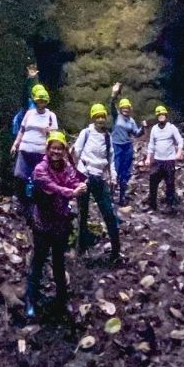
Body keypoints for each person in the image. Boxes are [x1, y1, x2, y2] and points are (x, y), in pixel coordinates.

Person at [26, 131, 86, 321]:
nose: (56, 152)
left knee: (59, 262)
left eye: (60, 148)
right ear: (48, 149)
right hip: (42, 223)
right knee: (39, 260)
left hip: (60, 221)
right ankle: (31, 300)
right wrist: (72, 192)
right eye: (53, 148)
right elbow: (51, 186)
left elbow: (74, 180)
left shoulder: (67, 167)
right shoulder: (40, 169)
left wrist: (81, 185)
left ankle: (61, 299)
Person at [72, 104, 121, 263]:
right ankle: (81, 247)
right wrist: (80, 172)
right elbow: (76, 153)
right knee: (82, 213)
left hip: (99, 177)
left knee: (108, 213)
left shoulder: (107, 137)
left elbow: (111, 158)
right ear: (93, 118)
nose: (100, 119)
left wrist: (113, 176)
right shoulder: (86, 133)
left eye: (102, 116)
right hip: (84, 176)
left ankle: (115, 251)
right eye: (97, 116)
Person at [10, 83, 58, 212]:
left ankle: (38, 206)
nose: (40, 103)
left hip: (41, 152)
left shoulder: (51, 116)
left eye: (43, 100)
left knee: (39, 178)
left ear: (46, 101)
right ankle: (21, 203)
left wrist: (50, 133)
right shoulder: (29, 114)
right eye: (38, 100)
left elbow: (55, 136)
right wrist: (16, 144)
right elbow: (22, 129)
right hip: (25, 149)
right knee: (20, 176)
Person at [110, 83, 144, 205]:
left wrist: (143, 128)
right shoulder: (116, 117)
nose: (125, 109)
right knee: (115, 170)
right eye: (123, 107)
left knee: (126, 172)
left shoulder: (131, 121)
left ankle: (122, 197)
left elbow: (137, 133)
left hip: (127, 147)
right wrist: (114, 93)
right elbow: (111, 104)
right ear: (120, 108)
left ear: (130, 109)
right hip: (116, 146)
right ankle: (111, 196)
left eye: (127, 107)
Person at [146, 104, 184, 210]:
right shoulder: (154, 129)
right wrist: (148, 158)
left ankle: (170, 205)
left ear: (166, 116)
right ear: (157, 117)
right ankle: (152, 204)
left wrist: (179, 152)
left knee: (170, 183)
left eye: (163, 114)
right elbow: (151, 144)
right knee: (153, 181)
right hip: (158, 160)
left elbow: (180, 140)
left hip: (169, 160)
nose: (161, 116)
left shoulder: (171, 128)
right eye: (159, 115)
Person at [11, 61, 40, 137]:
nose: (32, 70)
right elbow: (24, 98)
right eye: (30, 68)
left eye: (34, 68)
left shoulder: (37, 82)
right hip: (27, 109)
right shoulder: (24, 82)